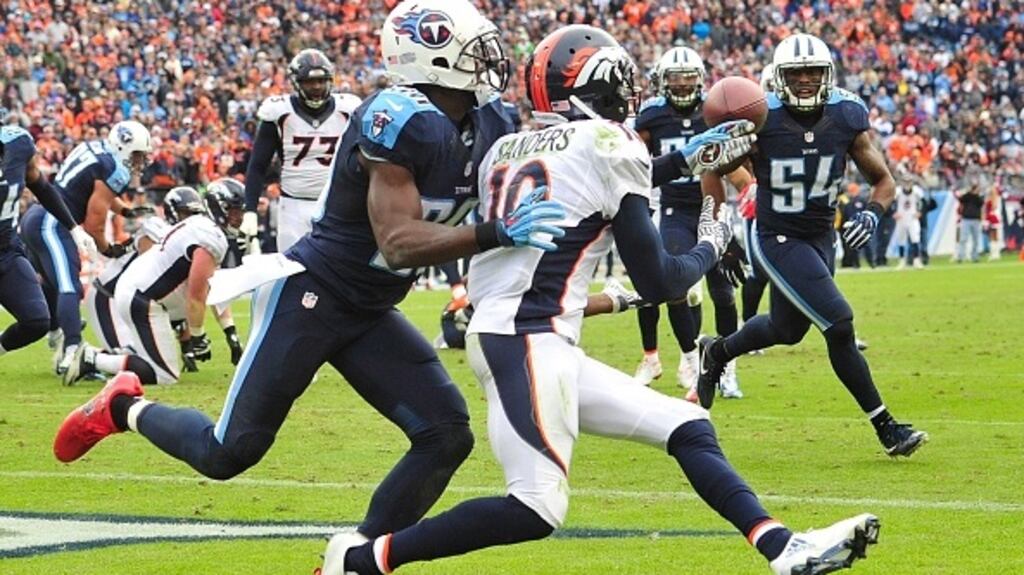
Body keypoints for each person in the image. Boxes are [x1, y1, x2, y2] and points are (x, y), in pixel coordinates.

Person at [320, 26, 878, 575]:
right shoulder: (609, 143)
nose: (630, 97)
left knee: (687, 425)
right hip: (525, 339)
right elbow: (661, 280)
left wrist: (683, 162)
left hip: (531, 335)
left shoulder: (508, 147)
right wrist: (712, 241)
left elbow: (586, 188)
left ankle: (784, 549)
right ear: (601, 86)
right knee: (536, 505)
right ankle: (363, 560)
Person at [53, 0, 566, 550]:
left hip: (369, 308)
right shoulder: (395, 119)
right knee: (227, 453)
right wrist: (494, 232)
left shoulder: (489, 120)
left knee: (445, 435)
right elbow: (397, 243)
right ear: (428, 54)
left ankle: (356, 555)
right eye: (471, 49)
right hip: (312, 292)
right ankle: (122, 405)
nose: (486, 60)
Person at [695, 33, 928, 458]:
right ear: (779, 77)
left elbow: (884, 181)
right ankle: (886, 427)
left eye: (813, 72)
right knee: (839, 323)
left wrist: (872, 213)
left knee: (788, 330)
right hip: (776, 236)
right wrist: (721, 232)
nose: (805, 80)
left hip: (821, 234)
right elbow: (712, 171)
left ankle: (718, 350)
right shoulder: (760, 119)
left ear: (828, 74)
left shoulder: (846, 115)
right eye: (796, 72)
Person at [630, 46, 745, 397]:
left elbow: (733, 164)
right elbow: (632, 156)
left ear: (700, 80)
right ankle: (693, 361)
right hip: (673, 210)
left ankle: (727, 369)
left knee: (723, 291)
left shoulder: (714, 111)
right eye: (675, 79)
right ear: (662, 83)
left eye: (689, 78)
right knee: (676, 286)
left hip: (710, 205)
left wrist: (747, 190)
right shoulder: (651, 115)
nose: (682, 85)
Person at [61, 182, 239, 386]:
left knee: (143, 357)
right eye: (184, 213)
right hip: (110, 295)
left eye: (193, 213)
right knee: (136, 359)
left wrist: (195, 338)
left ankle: (91, 359)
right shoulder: (163, 230)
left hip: (137, 297)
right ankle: (89, 358)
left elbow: (201, 287)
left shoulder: (190, 234)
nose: (188, 218)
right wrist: (193, 334)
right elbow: (163, 282)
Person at [20, 120, 152, 376]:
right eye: (137, 154)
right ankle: (73, 353)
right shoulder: (115, 168)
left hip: (37, 217)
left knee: (52, 284)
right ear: (125, 147)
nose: (139, 161)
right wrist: (108, 248)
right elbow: (94, 223)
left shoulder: (99, 149)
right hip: (52, 223)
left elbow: (98, 191)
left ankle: (58, 335)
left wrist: (124, 210)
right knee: (71, 286)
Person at [239, 49, 362, 252]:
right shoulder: (279, 112)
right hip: (292, 206)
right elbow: (258, 165)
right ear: (296, 82)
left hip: (335, 204)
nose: (316, 87)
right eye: (309, 82)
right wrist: (250, 210)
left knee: (338, 272)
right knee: (293, 271)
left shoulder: (348, 109)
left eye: (321, 81)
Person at [0, 122, 96, 360]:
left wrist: (74, 228)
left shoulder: (18, 144)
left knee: (37, 321)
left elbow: (41, 187)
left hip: (7, 251)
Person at [892, 173, 925, 269]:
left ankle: (916, 260)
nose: (907, 183)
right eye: (905, 181)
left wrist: (919, 212)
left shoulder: (917, 191)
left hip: (912, 218)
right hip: (901, 218)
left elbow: (922, 202)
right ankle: (902, 260)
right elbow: (892, 202)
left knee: (915, 238)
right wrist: (894, 212)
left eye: (909, 181)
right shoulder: (897, 191)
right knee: (901, 240)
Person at [955, 182, 984, 263]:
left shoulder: (979, 197)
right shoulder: (967, 196)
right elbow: (961, 199)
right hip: (966, 219)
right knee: (963, 239)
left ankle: (974, 256)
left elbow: (981, 203)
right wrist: (970, 193)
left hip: (976, 220)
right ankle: (961, 256)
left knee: (976, 239)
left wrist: (977, 195)